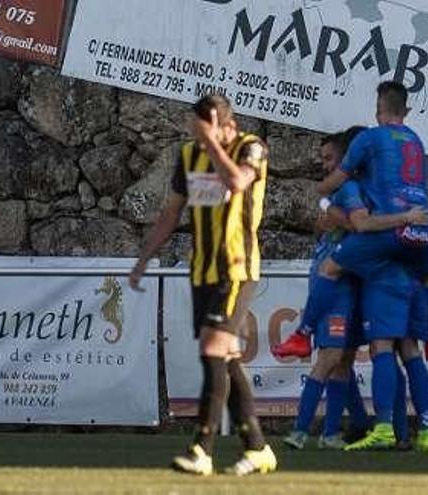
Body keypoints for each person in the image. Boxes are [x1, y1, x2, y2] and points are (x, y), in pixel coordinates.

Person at [129, 95, 276, 476]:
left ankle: (202, 449)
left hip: (236, 267)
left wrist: (211, 141)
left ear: (215, 121)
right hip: (202, 271)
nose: (194, 137)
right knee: (223, 356)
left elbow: (238, 182)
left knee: (212, 348)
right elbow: (172, 212)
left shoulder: (252, 147)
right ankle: (258, 447)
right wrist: (144, 259)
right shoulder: (189, 156)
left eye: (199, 128)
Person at [280, 129, 427, 450]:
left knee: (375, 351)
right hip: (344, 279)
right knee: (340, 354)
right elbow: (351, 221)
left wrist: (331, 212)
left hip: (366, 277)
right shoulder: (350, 188)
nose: (325, 166)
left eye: (330, 159)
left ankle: (383, 428)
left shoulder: (371, 187)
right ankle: (311, 429)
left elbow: (338, 215)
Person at [303, 81, 428, 362]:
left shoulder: (367, 144)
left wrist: (321, 195)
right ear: (407, 110)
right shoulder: (416, 141)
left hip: (385, 238)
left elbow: (358, 220)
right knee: (410, 338)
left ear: (379, 109)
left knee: (330, 270)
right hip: (423, 232)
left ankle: (301, 332)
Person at [344, 262, 428, 452]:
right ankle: (425, 432)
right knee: (410, 350)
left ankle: (384, 428)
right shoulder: (421, 233)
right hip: (415, 282)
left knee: (381, 347)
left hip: (384, 284)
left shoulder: (381, 234)